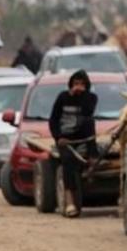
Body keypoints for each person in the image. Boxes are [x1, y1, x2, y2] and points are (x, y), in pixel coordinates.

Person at [48, 70, 98, 218]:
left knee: (89, 122)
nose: (79, 87)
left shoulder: (91, 98)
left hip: (84, 139)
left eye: (82, 84)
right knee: (68, 162)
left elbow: (88, 112)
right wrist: (58, 138)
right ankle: (69, 202)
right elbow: (53, 120)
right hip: (66, 139)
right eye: (76, 84)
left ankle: (92, 159)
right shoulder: (62, 98)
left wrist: (81, 95)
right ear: (70, 84)